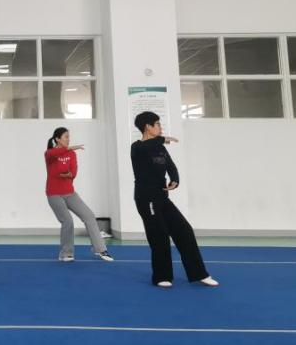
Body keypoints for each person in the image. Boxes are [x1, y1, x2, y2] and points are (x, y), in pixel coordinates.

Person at [131, 111, 218, 288]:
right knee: (159, 236)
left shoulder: (160, 147)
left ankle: (199, 274)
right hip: (146, 199)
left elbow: (171, 167)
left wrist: (174, 180)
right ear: (148, 126)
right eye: (157, 124)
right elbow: (146, 147)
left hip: (162, 197)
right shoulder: (137, 147)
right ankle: (162, 276)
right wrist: (163, 139)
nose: (160, 127)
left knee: (185, 231)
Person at [44, 127, 113, 263]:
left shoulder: (71, 154)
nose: (68, 139)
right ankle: (66, 253)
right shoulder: (49, 154)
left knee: (89, 216)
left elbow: (73, 172)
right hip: (54, 194)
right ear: (57, 139)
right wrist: (69, 149)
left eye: (69, 137)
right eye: (66, 137)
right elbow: (55, 156)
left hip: (70, 193)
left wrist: (68, 174)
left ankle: (100, 249)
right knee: (67, 221)